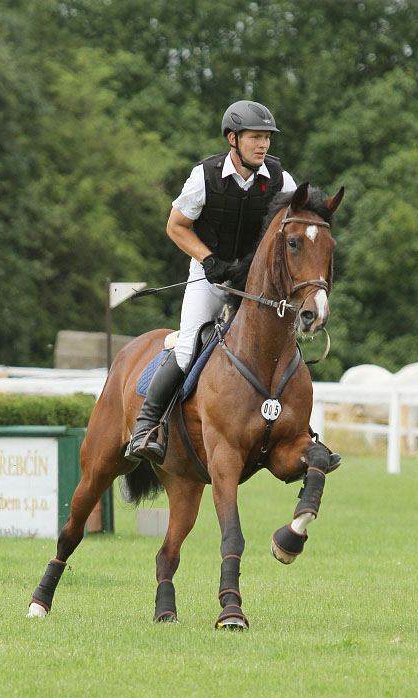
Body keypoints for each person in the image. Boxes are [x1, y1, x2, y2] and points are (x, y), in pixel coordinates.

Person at [126, 100, 340, 472]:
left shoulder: (280, 179)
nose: (263, 146)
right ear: (233, 139)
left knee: (279, 345)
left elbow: (300, 220)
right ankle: (148, 427)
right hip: (209, 274)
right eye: (255, 138)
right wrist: (208, 260)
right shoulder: (204, 177)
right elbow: (175, 225)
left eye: (267, 139)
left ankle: (298, 431)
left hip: (253, 282)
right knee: (189, 345)